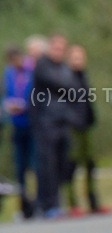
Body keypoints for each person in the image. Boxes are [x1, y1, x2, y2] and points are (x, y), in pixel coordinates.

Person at [30, 33, 76, 219]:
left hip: (62, 122)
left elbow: (73, 88)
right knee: (47, 165)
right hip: (46, 123)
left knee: (61, 164)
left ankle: (54, 202)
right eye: (56, 48)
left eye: (62, 49)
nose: (59, 52)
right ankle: (47, 204)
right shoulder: (43, 66)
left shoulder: (63, 67)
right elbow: (64, 84)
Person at [64, 44, 107, 215]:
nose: (78, 61)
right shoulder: (65, 77)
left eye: (81, 57)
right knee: (72, 165)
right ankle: (72, 203)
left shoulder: (83, 75)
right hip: (73, 127)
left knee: (90, 163)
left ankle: (93, 202)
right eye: (75, 58)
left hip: (86, 125)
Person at [3, 46, 35, 218]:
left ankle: (37, 203)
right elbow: (6, 94)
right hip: (18, 124)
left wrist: (27, 105)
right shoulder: (9, 73)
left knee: (35, 166)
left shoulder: (31, 69)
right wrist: (8, 105)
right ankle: (24, 206)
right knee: (20, 167)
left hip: (32, 124)